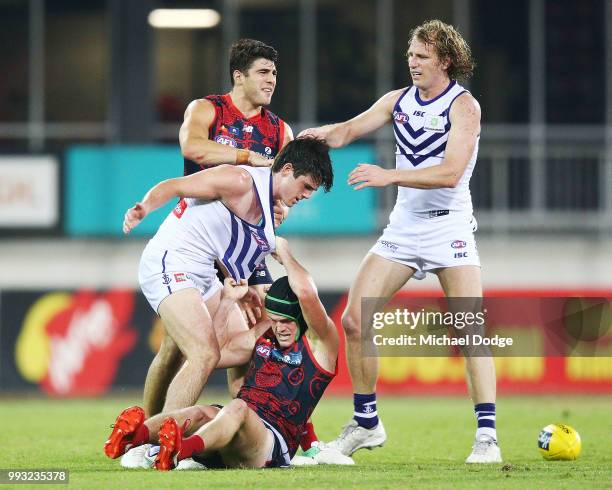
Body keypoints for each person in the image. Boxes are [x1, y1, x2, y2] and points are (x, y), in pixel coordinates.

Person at [299, 19, 501, 463]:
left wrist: (388, 175)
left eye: (422, 55)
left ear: (445, 61)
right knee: (354, 321)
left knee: (471, 331)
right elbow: (347, 130)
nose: (412, 61)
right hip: (404, 227)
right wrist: (307, 136)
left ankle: (487, 437)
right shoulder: (398, 101)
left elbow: (450, 171)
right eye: (410, 53)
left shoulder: (464, 106)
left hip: (449, 227)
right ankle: (366, 423)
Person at [122, 137, 332, 416]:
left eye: (312, 191)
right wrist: (144, 208)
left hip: (203, 274)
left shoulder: (272, 212)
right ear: (286, 169)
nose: (306, 195)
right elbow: (173, 186)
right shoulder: (240, 181)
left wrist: (237, 291)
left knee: (241, 348)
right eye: (306, 186)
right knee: (204, 354)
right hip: (170, 261)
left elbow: (226, 243)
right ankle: (156, 442)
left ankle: (250, 428)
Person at [104, 238, 353, 469]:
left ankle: (178, 451)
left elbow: (307, 294)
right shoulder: (264, 334)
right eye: (275, 320)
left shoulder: (320, 345)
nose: (279, 328)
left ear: (301, 317)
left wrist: (285, 254)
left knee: (237, 408)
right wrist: (227, 302)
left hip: (272, 444)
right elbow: (216, 353)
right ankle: (132, 440)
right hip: (231, 428)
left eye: (286, 321)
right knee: (200, 413)